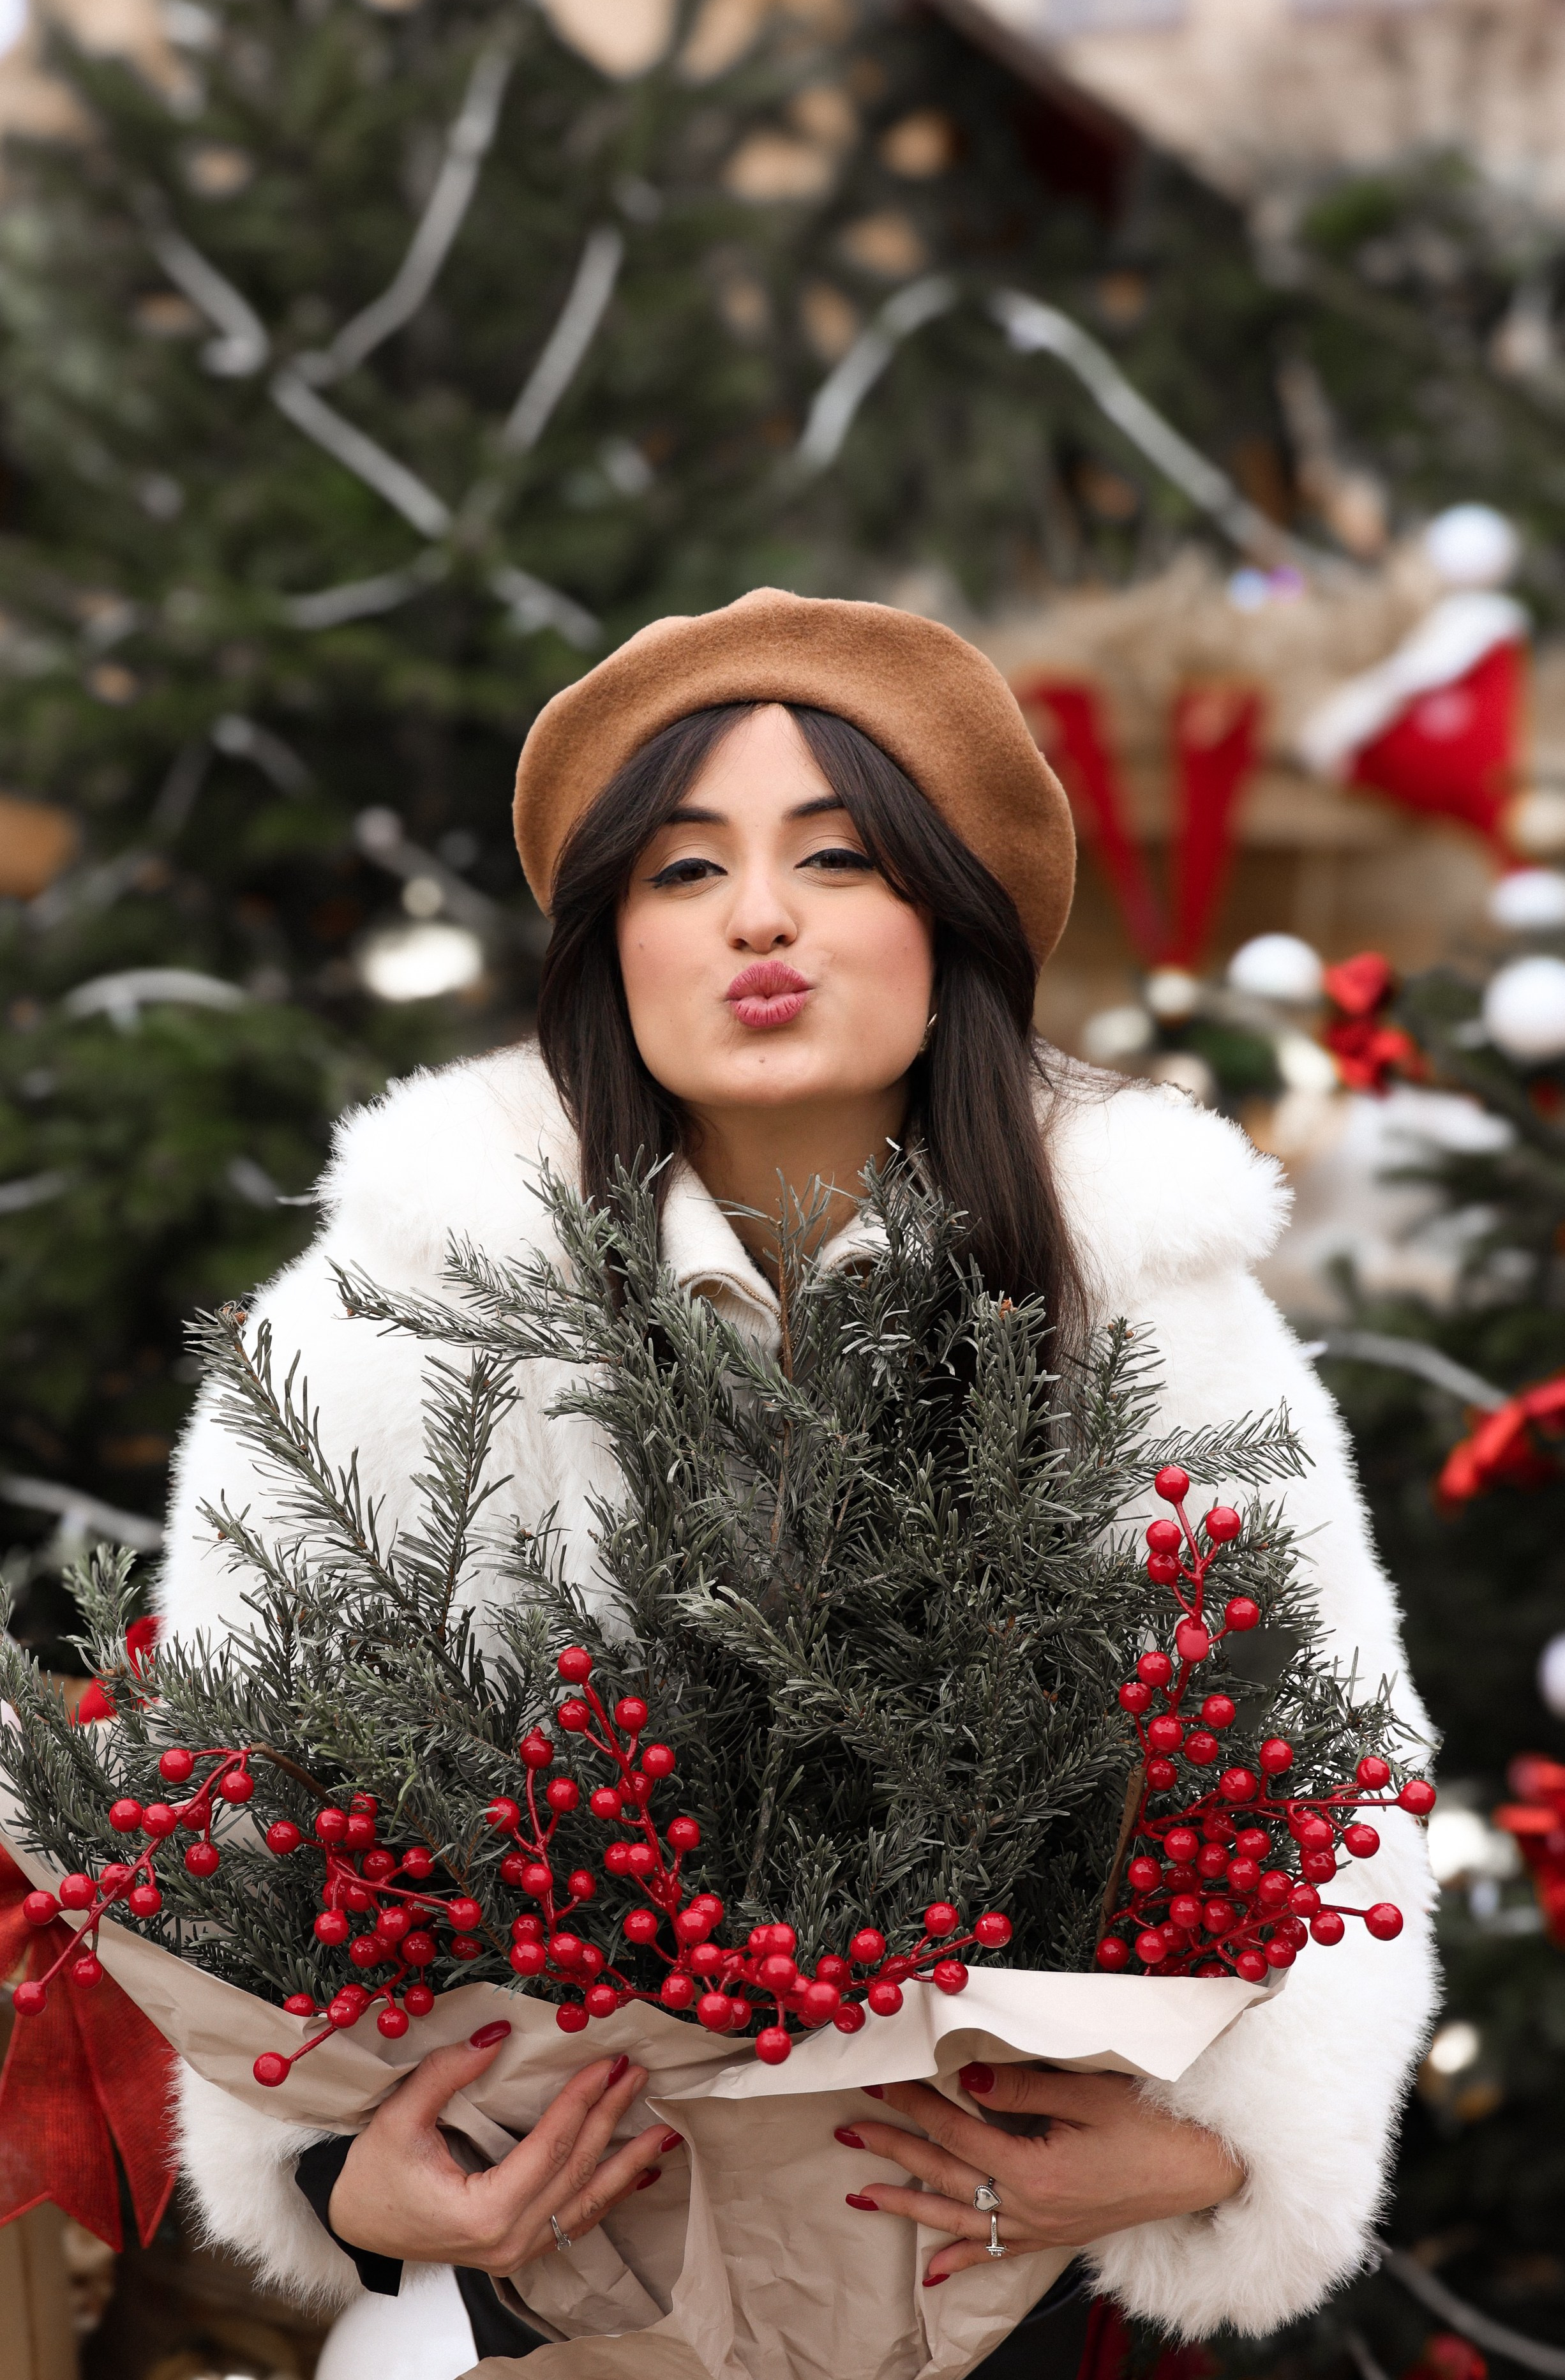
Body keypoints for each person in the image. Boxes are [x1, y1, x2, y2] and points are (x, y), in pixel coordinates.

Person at [156, 591, 1437, 2379]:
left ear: (949, 924)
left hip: (992, 2291)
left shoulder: (1145, 1305)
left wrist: (1229, 2157)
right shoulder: (389, 1314)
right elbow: (239, 1795)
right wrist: (330, 2174)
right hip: (531, 2302)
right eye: (681, 872)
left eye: (836, 858)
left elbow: (1334, 1762)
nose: (756, 916)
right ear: (606, 941)